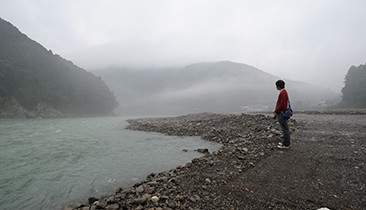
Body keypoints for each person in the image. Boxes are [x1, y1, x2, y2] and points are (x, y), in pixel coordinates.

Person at [273, 80, 290, 149]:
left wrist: (276, 111)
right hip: (282, 112)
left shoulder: (283, 93)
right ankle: (285, 143)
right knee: (285, 128)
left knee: (285, 129)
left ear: (278, 86)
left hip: (282, 113)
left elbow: (282, 105)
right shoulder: (284, 92)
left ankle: (286, 144)